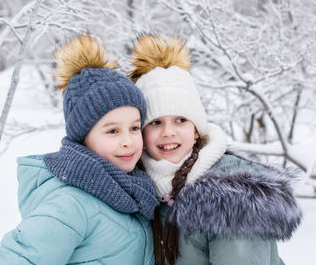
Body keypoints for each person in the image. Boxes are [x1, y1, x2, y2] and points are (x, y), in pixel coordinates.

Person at [129, 34, 302, 265]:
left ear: (197, 130)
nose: (168, 132)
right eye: (155, 122)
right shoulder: (146, 189)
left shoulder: (232, 197)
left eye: (181, 120)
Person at [0, 34, 159, 265]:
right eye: (112, 131)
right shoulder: (71, 203)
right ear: (83, 138)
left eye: (134, 128)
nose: (128, 141)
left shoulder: (136, 191)